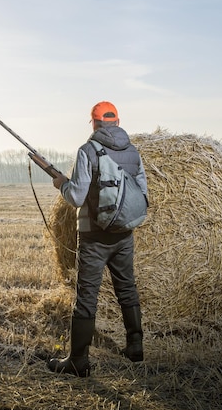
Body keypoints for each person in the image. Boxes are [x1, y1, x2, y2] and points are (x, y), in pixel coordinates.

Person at [48, 101, 148, 377]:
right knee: (127, 288)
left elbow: (77, 197)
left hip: (94, 237)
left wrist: (61, 184)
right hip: (124, 234)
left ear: (93, 123)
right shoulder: (132, 151)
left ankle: (78, 361)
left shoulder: (87, 151)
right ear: (117, 121)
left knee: (86, 297)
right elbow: (142, 192)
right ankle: (135, 347)